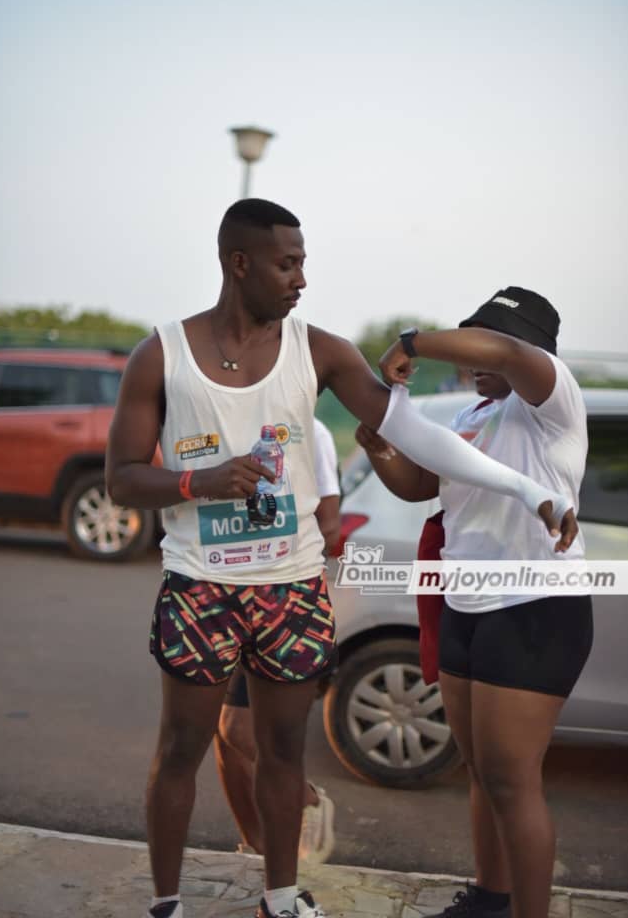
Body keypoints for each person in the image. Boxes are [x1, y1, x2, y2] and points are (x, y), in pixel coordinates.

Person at [105, 201, 576, 918]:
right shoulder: (161, 354)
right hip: (201, 583)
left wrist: (528, 491)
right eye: (286, 263)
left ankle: (282, 896)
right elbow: (119, 481)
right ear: (239, 263)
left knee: (285, 751)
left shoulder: (321, 350)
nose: (301, 278)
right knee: (182, 748)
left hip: (293, 586)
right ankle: (165, 902)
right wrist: (198, 480)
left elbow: (411, 431)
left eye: (303, 261)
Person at [356, 287, 590, 918]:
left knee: (514, 781)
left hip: (536, 604)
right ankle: (489, 900)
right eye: (469, 340)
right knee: (482, 772)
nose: (474, 359)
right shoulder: (471, 417)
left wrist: (410, 342)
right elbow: (422, 487)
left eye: (484, 343)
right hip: (464, 602)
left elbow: (504, 350)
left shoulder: (552, 400)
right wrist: (380, 449)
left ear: (532, 352)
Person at [214, 417, 340, 865]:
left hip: (279, 599)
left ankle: (306, 800)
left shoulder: (312, 432)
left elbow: (330, 526)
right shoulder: (223, 419)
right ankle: (253, 845)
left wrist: (269, 550)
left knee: (239, 729)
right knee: (223, 731)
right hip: (216, 591)